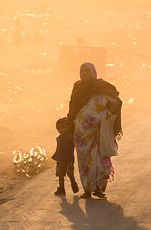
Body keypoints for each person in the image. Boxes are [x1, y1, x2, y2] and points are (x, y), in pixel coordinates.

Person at [66, 62, 122, 199]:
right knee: (84, 160)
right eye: (82, 71)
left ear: (94, 72)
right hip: (81, 133)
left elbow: (117, 102)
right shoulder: (77, 87)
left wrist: (108, 115)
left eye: (87, 71)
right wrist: (69, 123)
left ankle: (99, 188)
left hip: (99, 131)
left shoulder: (102, 87)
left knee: (99, 159)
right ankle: (87, 189)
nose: (84, 73)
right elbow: (72, 106)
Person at [52, 117, 79, 196]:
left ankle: (73, 185)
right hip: (61, 159)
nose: (60, 129)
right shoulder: (61, 137)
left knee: (69, 173)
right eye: (59, 128)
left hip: (68, 158)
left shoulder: (69, 136)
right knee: (61, 174)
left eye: (63, 127)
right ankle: (62, 188)